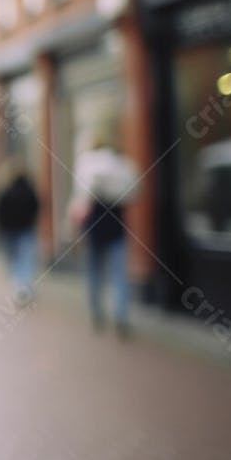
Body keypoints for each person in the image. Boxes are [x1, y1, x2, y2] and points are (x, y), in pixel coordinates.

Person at [67, 132, 139, 335]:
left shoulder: (86, 165)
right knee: (119, 273)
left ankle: (97, 312)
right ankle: (121, 314)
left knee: (94, 272)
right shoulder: (122, 164)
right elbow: (134, 192)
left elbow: (80, 199)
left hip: (93, 226)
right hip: (117, 225)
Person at [0, 157, 39, 304]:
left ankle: (18, 286)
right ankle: (24, 286)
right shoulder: (29, 189)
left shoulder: (4, 190)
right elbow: (36, 207)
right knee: (25, 259)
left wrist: (0, 227)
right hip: (26, 230)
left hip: (9, 232)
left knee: (13, 260)